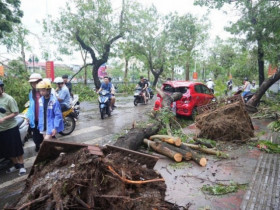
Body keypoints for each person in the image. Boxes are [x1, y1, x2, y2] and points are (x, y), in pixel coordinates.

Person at [0, 80, 26, 175]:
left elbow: (16, 112)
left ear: (2, 88)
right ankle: (16, 165)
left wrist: (4, 118)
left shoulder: (9, 99)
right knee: (7, 150)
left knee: (17, 148)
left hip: (11, 127)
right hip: (1, 130)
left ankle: (22, 166)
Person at [26, 73, 44, 152]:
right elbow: (31, 106)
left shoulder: (45, 92)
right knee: (36, 135)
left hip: (43, 119)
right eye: (32, 83)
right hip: (35, 119)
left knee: (44, 135)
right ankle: (38, 146)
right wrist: (28, 116)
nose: (34, 84)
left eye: (35, 82)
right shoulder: (31, 93)